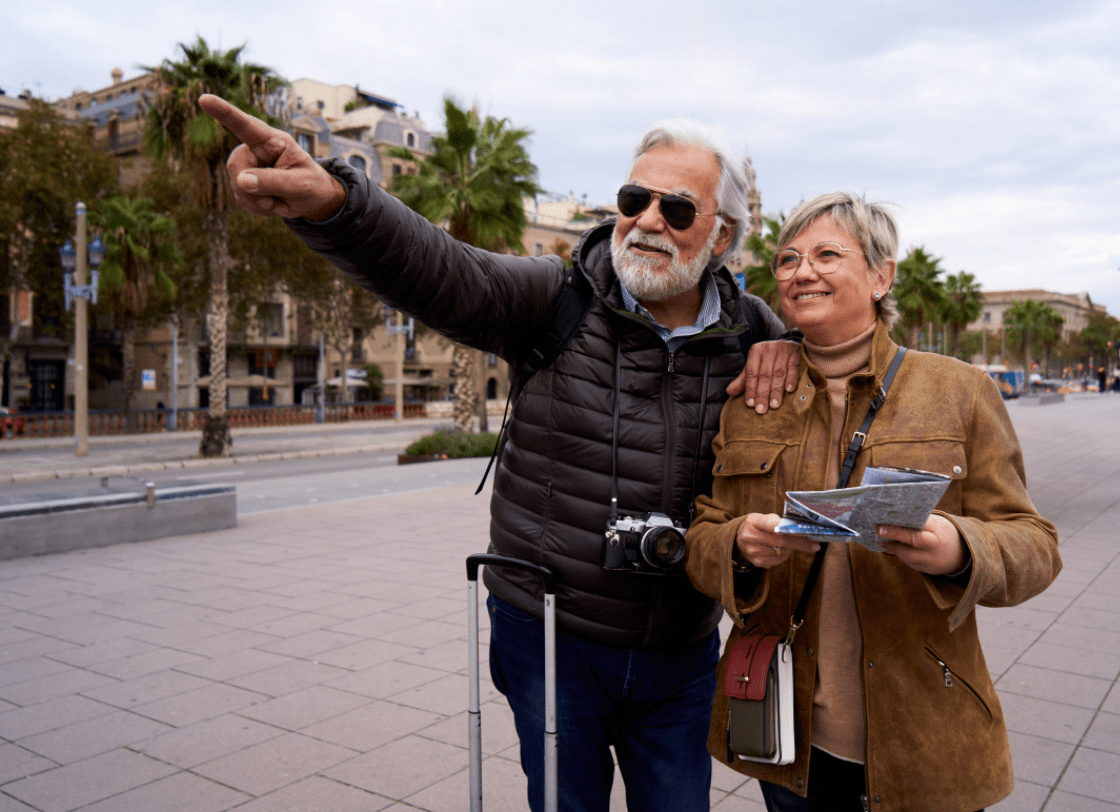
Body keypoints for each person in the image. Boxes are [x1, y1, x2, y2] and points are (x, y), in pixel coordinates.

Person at [199, 94, 801, 812]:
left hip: (682, 649)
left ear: (724, 236)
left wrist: (793, 346)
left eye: (676, 209)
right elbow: (440, 268)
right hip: (549, 634)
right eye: (633, 199)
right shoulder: (555, 298)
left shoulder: (755, 334)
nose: (647, 221)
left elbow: (845, 359)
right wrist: (334, 201)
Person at [684, 192, 1062, 812]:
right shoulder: (753, 400)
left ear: (882, 276)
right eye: (787, 259)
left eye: (827, 255)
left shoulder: (961, 391)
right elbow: (703, 536)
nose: (801, 271)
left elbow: (1036, 545)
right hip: (789, 747)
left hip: (927, 744)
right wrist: (738, 546)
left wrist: (960, 550)